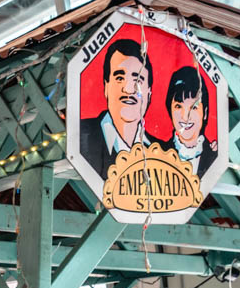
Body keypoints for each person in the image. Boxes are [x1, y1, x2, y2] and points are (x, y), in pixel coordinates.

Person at [79, 39, 153, 182]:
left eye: (138, 79)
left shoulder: (161, 149)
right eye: (119, 78)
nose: (128, 89)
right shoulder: (82, 134)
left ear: (149, 93)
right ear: (106, 87)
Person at [162, 65, 217, 180]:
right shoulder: (159, 153)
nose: (185, 116)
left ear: (205, 113)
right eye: (178, 106)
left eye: (194, 107)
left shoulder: (214, 156)